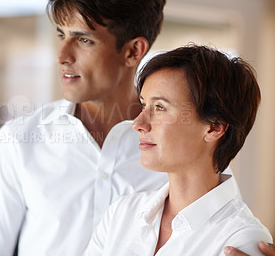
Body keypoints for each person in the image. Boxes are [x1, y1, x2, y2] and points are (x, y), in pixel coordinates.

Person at [0, 0, 168, 255]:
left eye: (83, 39)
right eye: (62, 35)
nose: (61, 56)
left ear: (132, 51)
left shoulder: (178, 145)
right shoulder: (18, 141)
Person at [84, 45, 273, 256]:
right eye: (144, 105)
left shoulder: (242, 240)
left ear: (214, 127)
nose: (138, 123)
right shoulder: (121, 214)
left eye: (160, 108)